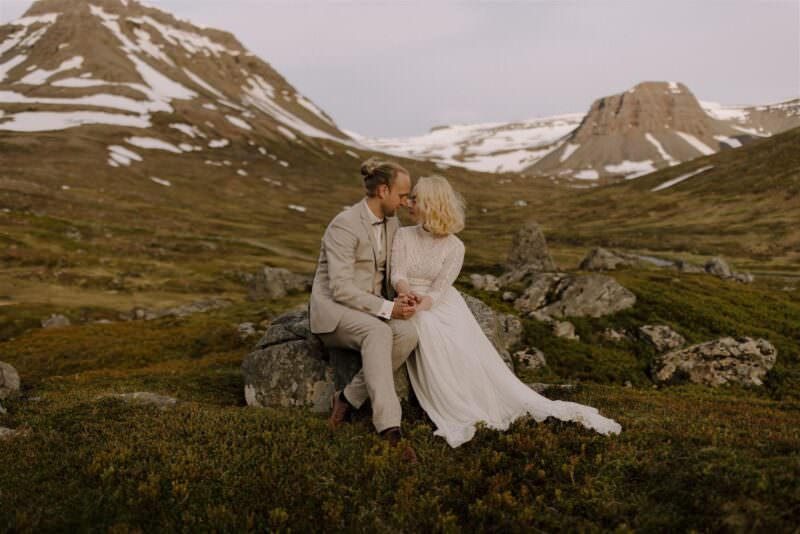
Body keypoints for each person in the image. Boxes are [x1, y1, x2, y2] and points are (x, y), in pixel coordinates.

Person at [391, 175, 622, 448]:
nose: (408, 203)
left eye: (415, 199)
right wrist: (406, 294)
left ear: (431, 203)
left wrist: (423, 304)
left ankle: (469, 401)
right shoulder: (403, 235)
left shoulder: (455, 246)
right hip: (408, 296)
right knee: (424, 325)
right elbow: (398, 273)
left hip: (439, 303)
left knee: (442, 335)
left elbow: (441, 288)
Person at [309, 157, 420, 460]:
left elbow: (389, 271)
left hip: (369, 310)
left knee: (408, 334)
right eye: (402, 195)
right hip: (335, 312)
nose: (405, 202)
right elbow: (341, 288)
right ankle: (390, 430)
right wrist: (387, 309)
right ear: (383, 191)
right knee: (378, 333)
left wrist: (401, 298)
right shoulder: (344, 224)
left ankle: (346, 397)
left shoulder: (392, 223)